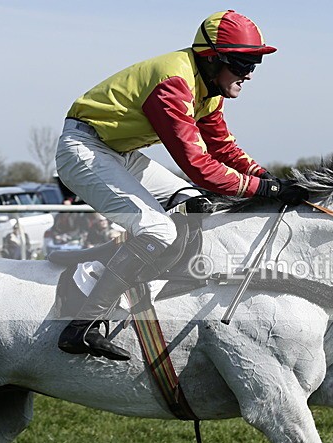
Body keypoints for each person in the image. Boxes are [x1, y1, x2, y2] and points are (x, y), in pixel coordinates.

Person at [55, 10, 309, 361]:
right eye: (241, 63)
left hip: (118, 151)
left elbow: (223, 147)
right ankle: (81, 325)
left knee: (195, 205)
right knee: (159, 230)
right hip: (84, 149)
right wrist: (265, 191)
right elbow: (200, 166)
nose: (248, 74)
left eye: (253, 64)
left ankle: (123, 271)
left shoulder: (209, 89)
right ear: (212, 58)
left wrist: (266, 178)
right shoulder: (174, 83)